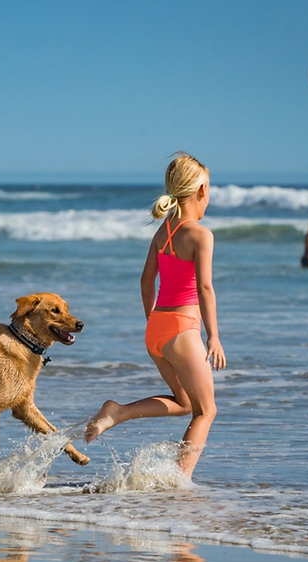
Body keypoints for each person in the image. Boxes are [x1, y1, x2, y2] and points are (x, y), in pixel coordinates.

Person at [84, 153, 225, 477]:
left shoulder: (163, 233)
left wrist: (153, 320)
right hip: (182, 330)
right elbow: (205, 288)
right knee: (206, 411)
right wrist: (214, 336)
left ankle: (117, 412)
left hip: (157, 328)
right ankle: (180, 479)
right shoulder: (201, 235)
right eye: (209, 189)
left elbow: (146, 280)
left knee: (186, 403)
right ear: (200, 191)